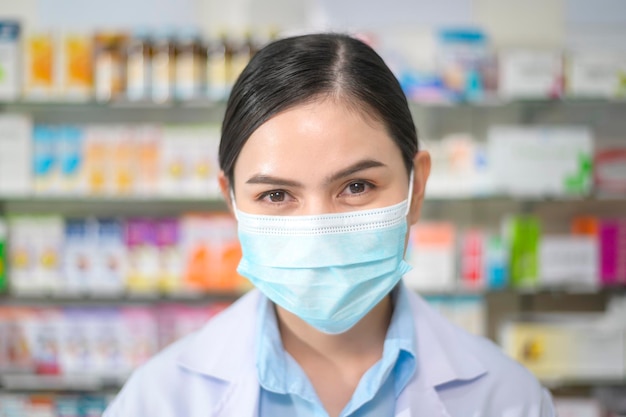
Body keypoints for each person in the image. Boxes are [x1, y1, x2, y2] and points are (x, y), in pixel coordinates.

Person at [103, 33, 555, 417]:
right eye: (276, 195)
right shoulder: (158, 400)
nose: (318, 228)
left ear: (416, 190)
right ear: (232, 201)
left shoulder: (508, 399)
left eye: (356, 186)